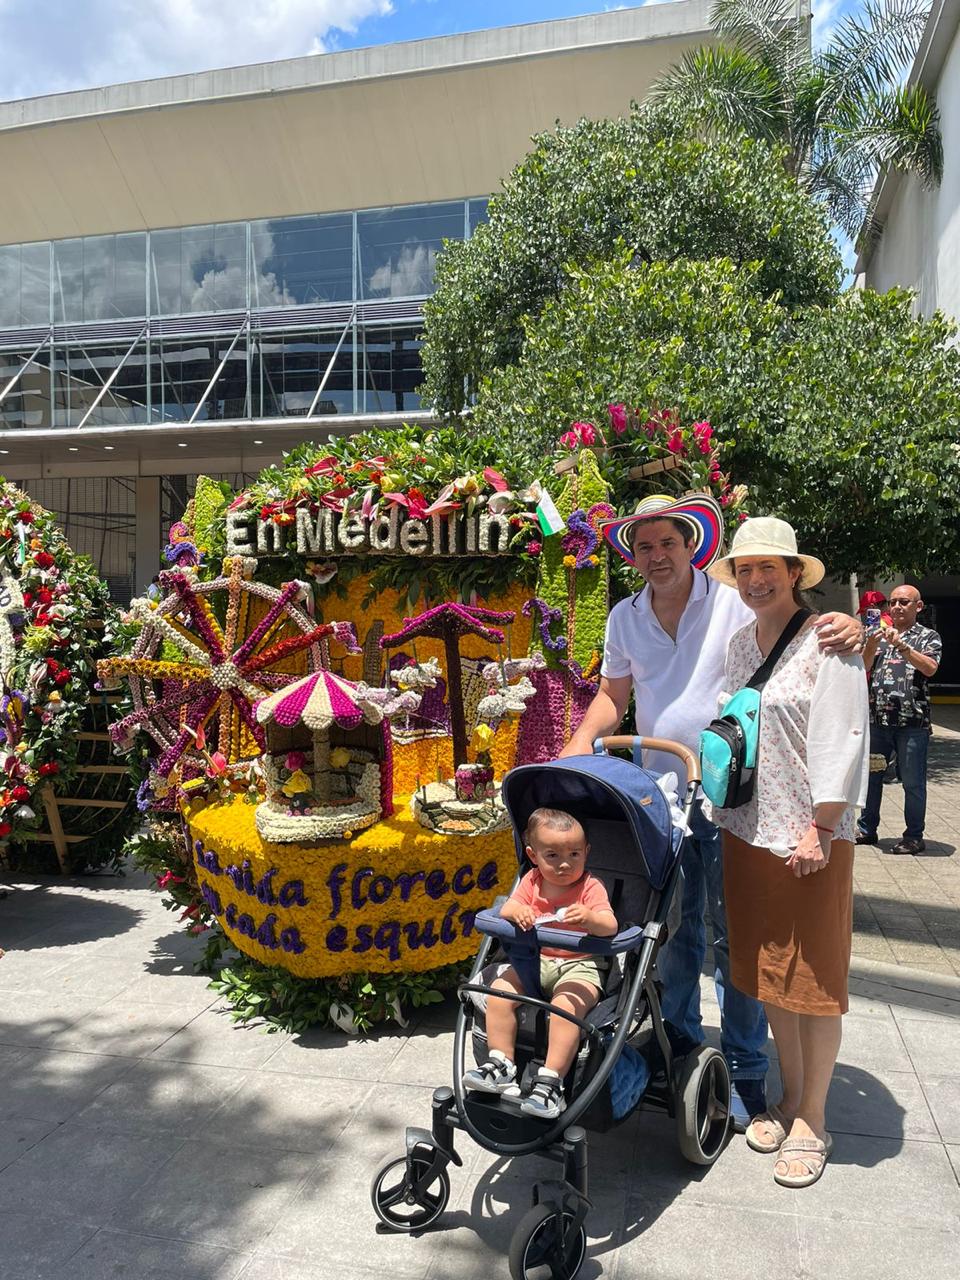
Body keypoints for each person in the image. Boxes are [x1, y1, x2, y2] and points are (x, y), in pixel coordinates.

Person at [562, 493, 862, 1130]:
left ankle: (749, 1069)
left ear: (691, 544)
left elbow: (797, 636)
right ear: (633, 555)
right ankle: (682, 1052)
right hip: (662, 797)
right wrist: (573, 747)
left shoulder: (731, 599)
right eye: (644, 546)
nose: (657, 555)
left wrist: (855, 626)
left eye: (668, 542)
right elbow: (614, 696)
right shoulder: (624, 616)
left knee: (738, 939)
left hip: (737, 801)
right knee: (674, 933)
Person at [705, 516, 868, 1188]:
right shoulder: (742, 644)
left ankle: (815, 1119)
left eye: (769, 566)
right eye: (745, 569)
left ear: (795, 572)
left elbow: (845, 736)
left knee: (815, 983)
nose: (756, 578)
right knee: (773, 976)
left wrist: (823, 826)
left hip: (807, 838)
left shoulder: (831, 641)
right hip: (746, 829)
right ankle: (789, 1097)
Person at [462, 806, 618, 1119]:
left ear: (586, 852)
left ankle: (551, 1081)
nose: (565, 864)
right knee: (500, 993)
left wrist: (590, 919)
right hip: (536, 959)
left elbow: (610, 926)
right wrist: (514, 912)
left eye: (574, 854)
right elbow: (508, 908)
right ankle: (501, 1063)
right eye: (553, 856)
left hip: (579, 964)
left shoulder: (590, 887)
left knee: (566, 1009)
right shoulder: (531, 881)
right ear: (533, 856)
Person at [857, 584, 941, 854]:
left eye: (904, 602)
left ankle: (914, 836)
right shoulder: (877, 634)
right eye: (892, 602)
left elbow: (930, 668)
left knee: (913, 782)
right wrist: (871, 642)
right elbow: (864, 666)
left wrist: (902, 646)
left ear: (918, 607)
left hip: (912, 724)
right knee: (871, 777)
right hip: (878, 720)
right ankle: (867, 829)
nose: (896, 607)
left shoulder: (929, 637)